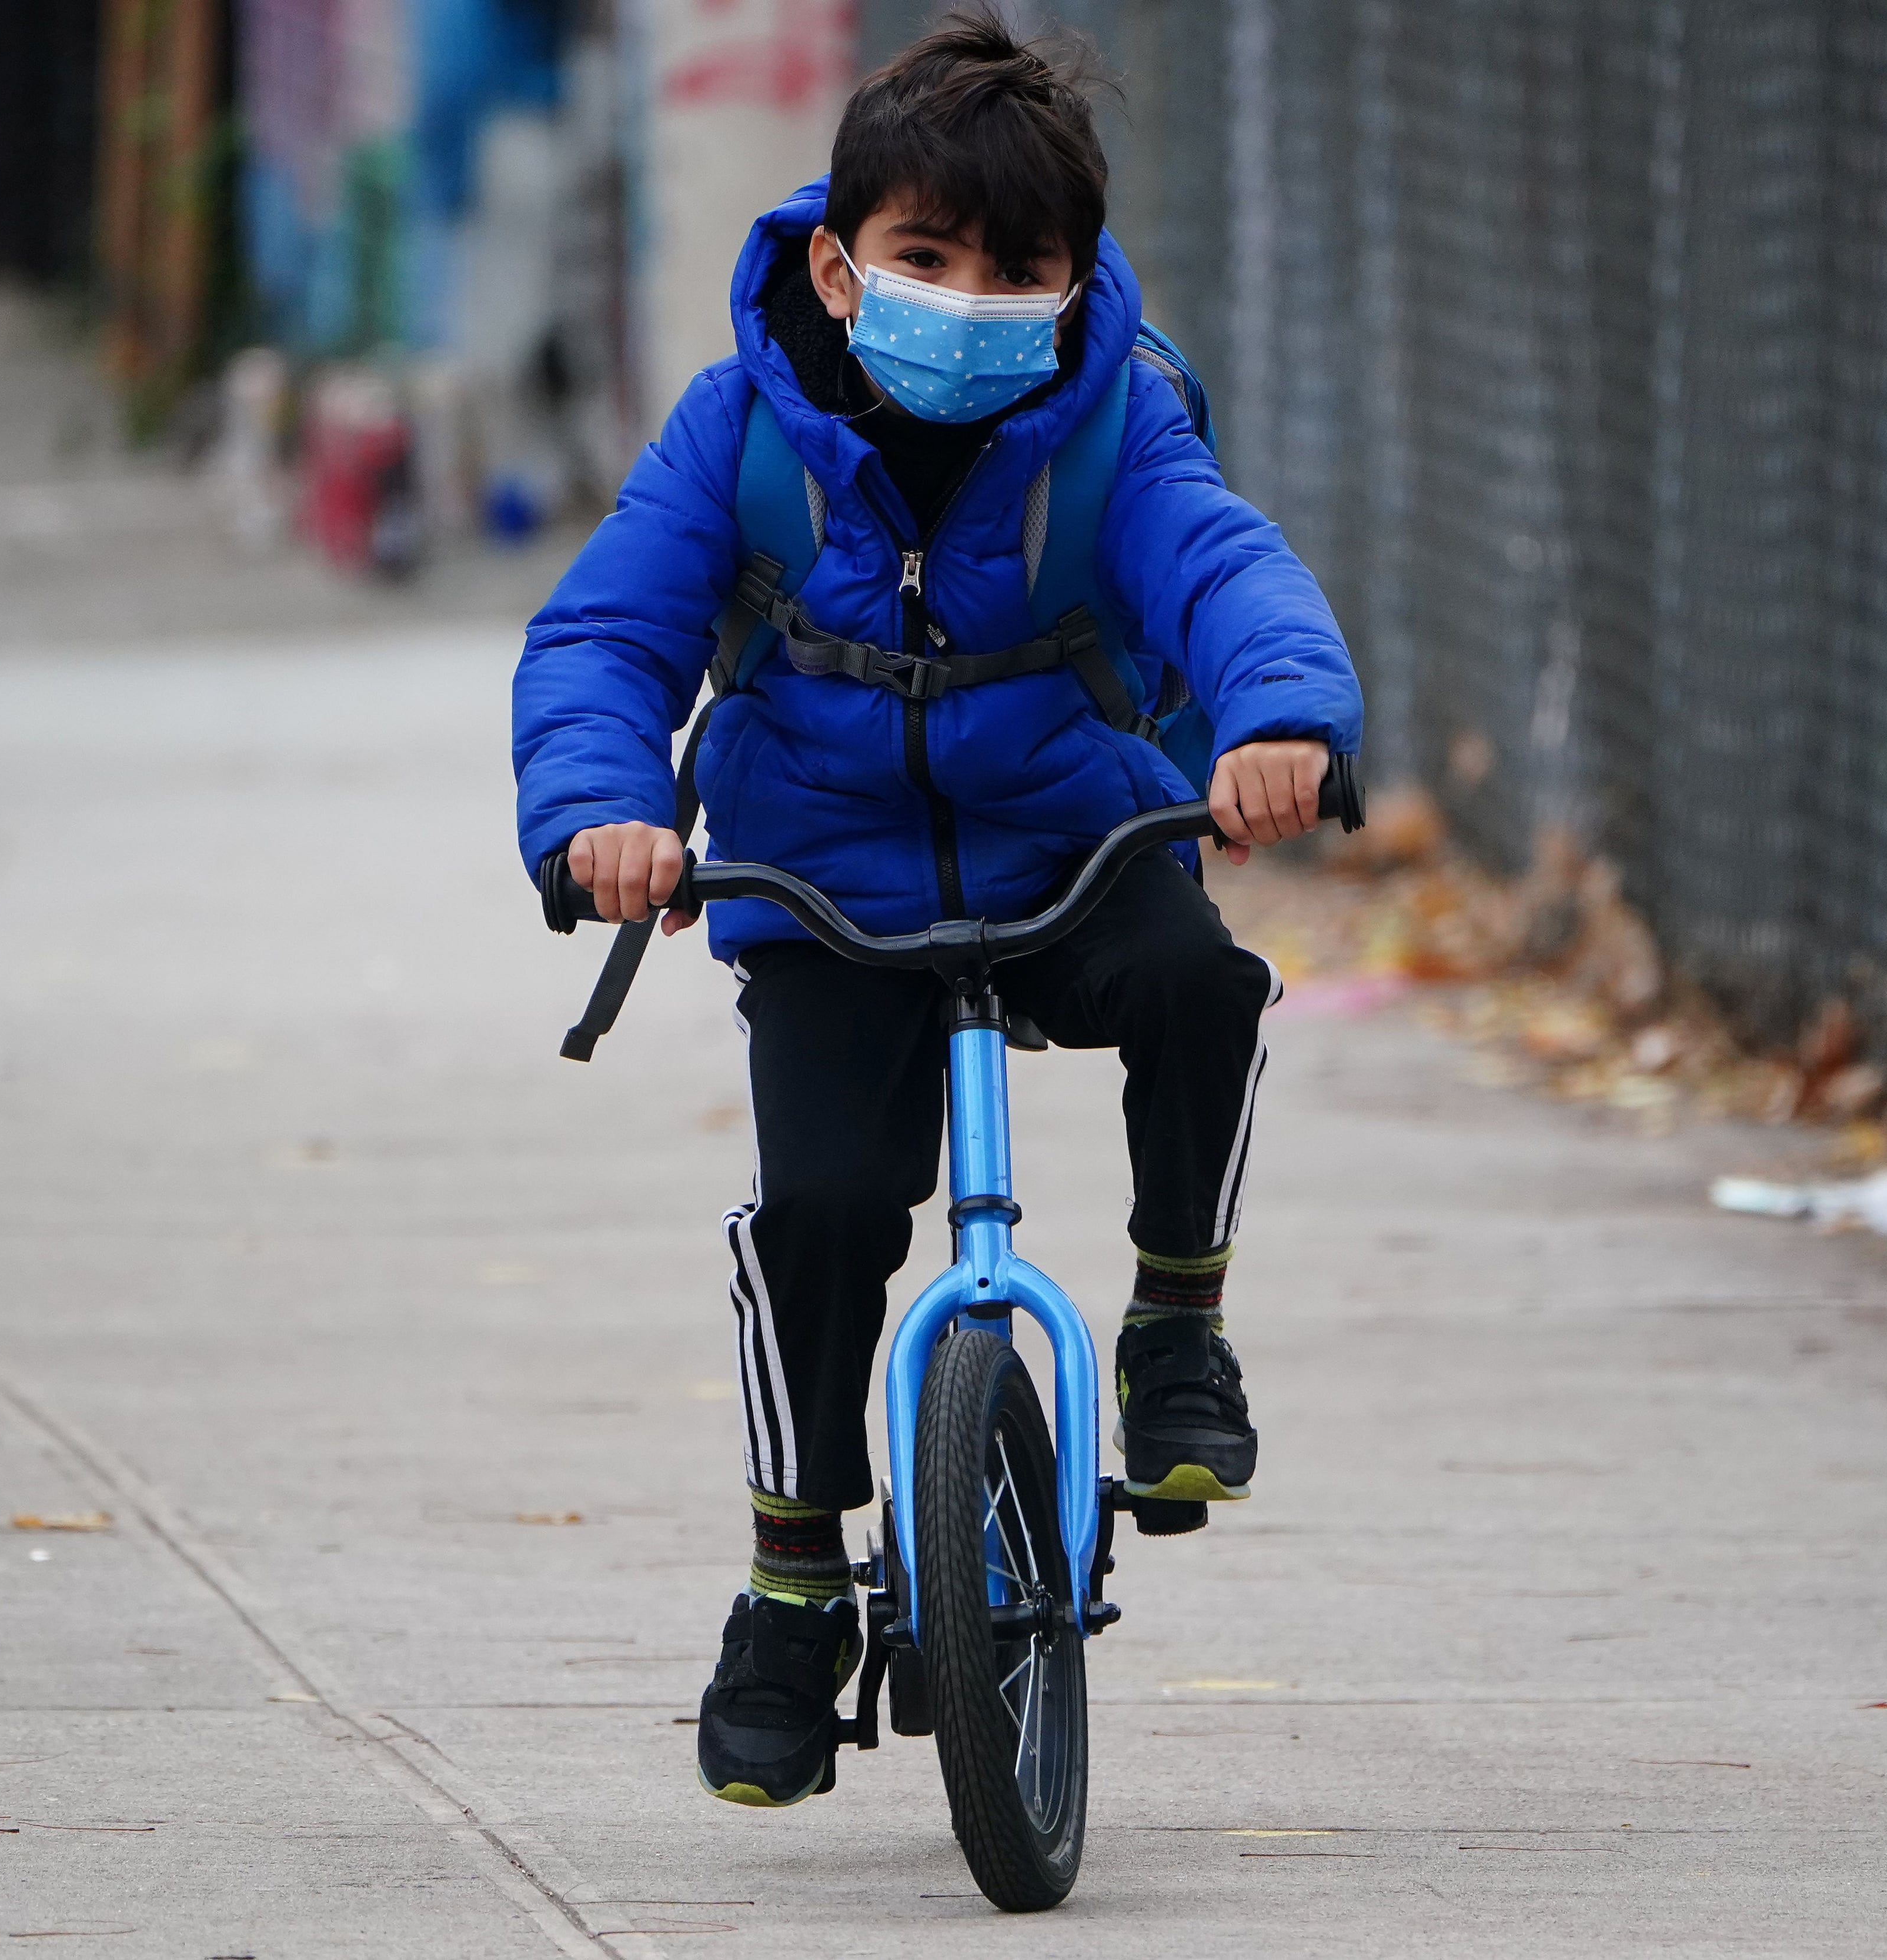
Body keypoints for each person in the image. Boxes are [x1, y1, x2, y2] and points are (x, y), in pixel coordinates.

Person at [510, 12, 1362, 1812]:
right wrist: (603, 812)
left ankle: (1176, 1321)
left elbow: (1221, 563)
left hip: (1075, 850)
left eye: (1019, 271)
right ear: (840, 261)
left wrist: (1280, 718)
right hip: (820, 884)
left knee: (1206, 984)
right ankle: (792, 1575)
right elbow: (608, 635)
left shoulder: (1112, 422)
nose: (970, 300)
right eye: (925, 260)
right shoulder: (742, 427)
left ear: (1074, 282)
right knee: (819, 1212)